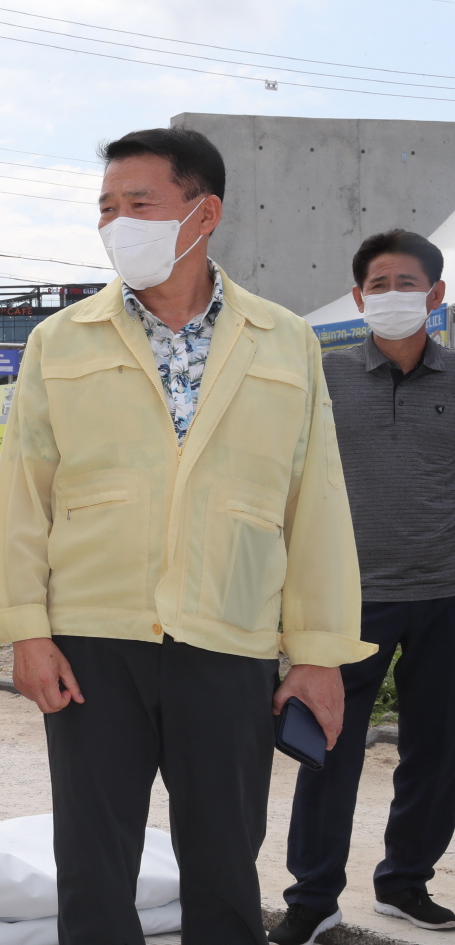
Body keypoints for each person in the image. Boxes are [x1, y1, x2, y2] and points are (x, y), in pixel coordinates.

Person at [0, 126, 374, 945]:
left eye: (139, 203)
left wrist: (318, 653)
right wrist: (26, 630)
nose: (118, 221)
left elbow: (316, 505)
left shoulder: (283, 340)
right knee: (92, 866)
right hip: (94, 638)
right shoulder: (62, 340)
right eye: (107, 207)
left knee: (227, 867)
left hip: (226, 635)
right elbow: (23, 499)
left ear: (204, 213)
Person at [269, 229, 455, 943]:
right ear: (357, 297)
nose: (391, 297)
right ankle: (313, 900)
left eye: (406, 284)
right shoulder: (326, 376)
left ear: (435, 295)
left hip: (444, 595)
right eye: (378, 286)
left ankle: (405, 883)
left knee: (437, 752)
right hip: (348, 598)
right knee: (329, 749)